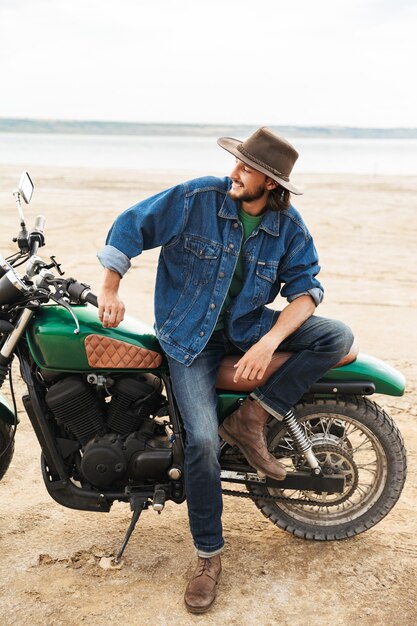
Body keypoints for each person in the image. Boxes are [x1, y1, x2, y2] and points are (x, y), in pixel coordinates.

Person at [97, 127, 354, 614]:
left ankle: (254, 416)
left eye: (246, 168)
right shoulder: (196, 198)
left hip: (246, 328)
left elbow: (306, 291)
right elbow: (130, 227)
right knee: (202, 442)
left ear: (271, 185)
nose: (234, 173)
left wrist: (269, 341)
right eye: (237, 163)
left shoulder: (289, 227)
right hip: (188, 339)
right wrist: (109, 290)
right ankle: (208, 557)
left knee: (336, 335)